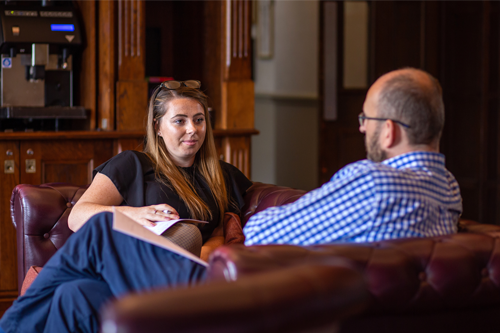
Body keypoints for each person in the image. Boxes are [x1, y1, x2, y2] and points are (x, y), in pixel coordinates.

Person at [0, 80, 252, 333]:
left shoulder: (221, 175)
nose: (192, 129)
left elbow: (220, 235)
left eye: (199, 120)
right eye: (180, 121)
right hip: (127, 272)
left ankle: (11, 327)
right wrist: (134, 214)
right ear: (158, 127)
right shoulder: (133, 163)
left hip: (181, 277)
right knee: (74, 294)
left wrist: (199, 265)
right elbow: (77, 217)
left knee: (101, 230)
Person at [243, 67, 462, 246]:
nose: (363, 128)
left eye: (366, 118)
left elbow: (260, 233)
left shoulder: (375, 184)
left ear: (389, 131)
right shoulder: (449, 187)